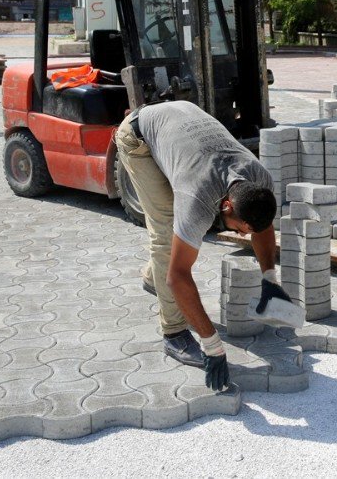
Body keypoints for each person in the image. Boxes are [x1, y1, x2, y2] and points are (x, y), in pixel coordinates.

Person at [114, 100, 289, 391]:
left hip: (182, 121)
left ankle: (150, 278)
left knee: (175, 246)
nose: (244, 236)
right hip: (139, 138)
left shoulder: (258, 180)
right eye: (240, 230)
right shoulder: (197, 198)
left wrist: (270, 279)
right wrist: (212, 345)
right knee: (167, 239)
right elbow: (178, 275)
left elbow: (262, 227)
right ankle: (173, 334)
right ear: (227, 205)